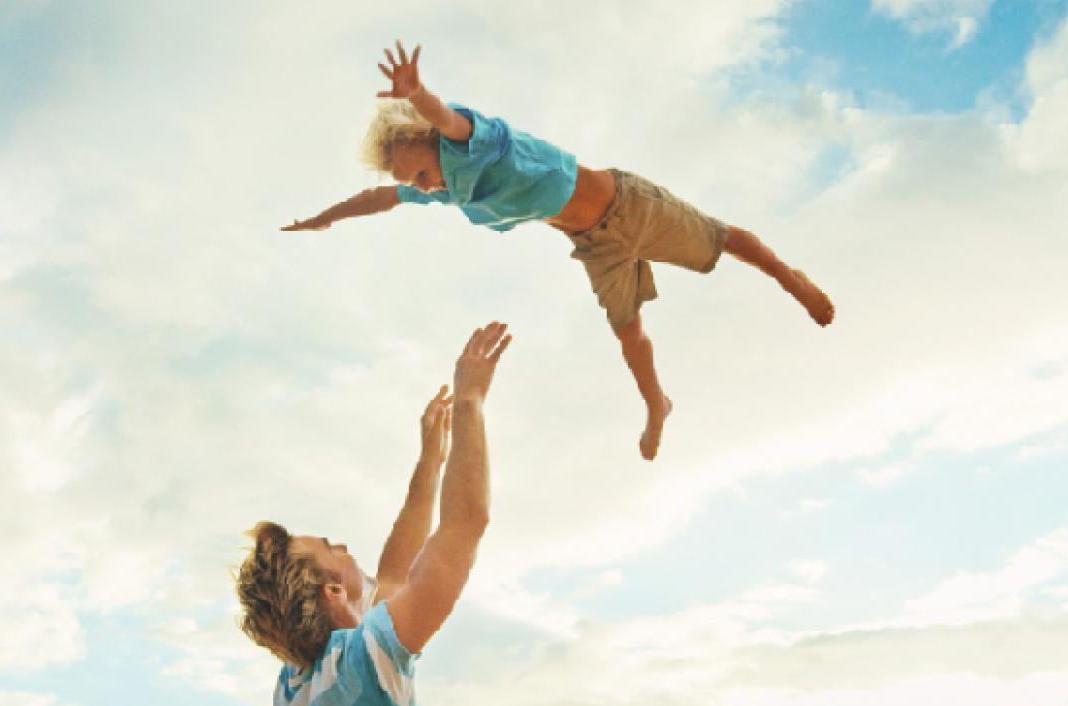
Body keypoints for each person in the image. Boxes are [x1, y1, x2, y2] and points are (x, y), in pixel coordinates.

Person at [283, 42, 835, 461]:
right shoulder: (448, 186)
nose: (424, 186)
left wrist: (416, 93)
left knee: (721, 240)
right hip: (594, 244)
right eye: (417, 183)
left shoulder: (470, 138)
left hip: (629, 206)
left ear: (428, 138)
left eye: (421, 173)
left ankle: (791, 279)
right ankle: (656, 404)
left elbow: (446, 118)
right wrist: (322, 220)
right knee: (627, 330)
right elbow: (382, 197)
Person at [235, 322, 512, 706]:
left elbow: (394, 576)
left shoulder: (293, 685)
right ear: (332, 592)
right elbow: (465, 523)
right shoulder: (368, 666)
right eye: (331, 549)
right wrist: (470, 399)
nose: (344, 547)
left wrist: (430, 463)